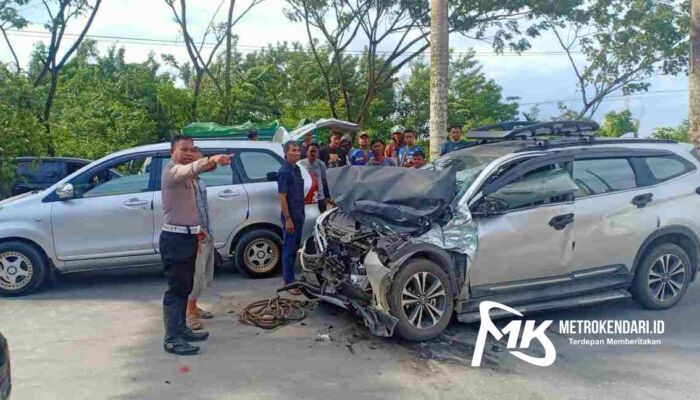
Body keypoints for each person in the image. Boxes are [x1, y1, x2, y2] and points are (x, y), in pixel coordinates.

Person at [160, 135, 232, 356]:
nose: (189, 153)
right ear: (172, 152)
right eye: (184, 149)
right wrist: (212, 158)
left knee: (185, 288)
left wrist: (197, 231)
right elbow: (190, 169)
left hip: (190, 237)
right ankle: (172, 339)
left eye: (192, 149)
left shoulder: (189, 178)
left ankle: (181, 329)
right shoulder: (172, 172)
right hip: (174, 240)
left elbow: (196, 175)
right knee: (176, 291)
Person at [186, 147, 216, 332]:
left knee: (203, 273)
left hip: (206, 231)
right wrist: (195, 234)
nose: (203, 163)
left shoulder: (199, 181)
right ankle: (189, 313)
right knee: (195, 275)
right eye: (200, 160)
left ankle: (194, 306)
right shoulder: (186, 182)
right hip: (196, 235)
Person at [277, 141, 305, 295]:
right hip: (291, 217)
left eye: (298, 150)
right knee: (288, 248)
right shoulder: (284, 172)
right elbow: (282, 196)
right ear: (286, 153)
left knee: (295, 248)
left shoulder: (297, 169)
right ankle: (288, 281)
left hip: (299, 214)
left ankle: (292, 278)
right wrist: (288, 218)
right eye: (293, 150)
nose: (296, 153)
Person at [299, 143, 332, 213]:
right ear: (307, 152)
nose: (313, 153)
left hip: (319, 197)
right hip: (306, 196)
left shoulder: (321, 164)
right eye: (311, 151)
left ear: (317, 153)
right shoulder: (300, 164)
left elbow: (324, 180)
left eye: (315, 151)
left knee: (322, 218)